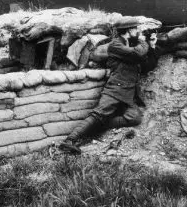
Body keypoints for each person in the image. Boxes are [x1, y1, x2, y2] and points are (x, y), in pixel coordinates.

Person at [58, 20, 159, 155]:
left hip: (128, 93)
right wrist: (143, 41)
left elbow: (147, 66)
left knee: (135, 117)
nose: (137, 31)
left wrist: (151, 46)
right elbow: (138, 54)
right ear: (128, 30)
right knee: (98, 114)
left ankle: (98, 126)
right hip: (115, 90)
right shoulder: (116, 45)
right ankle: (69, 141)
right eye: (135, 29)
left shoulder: (130, 46)